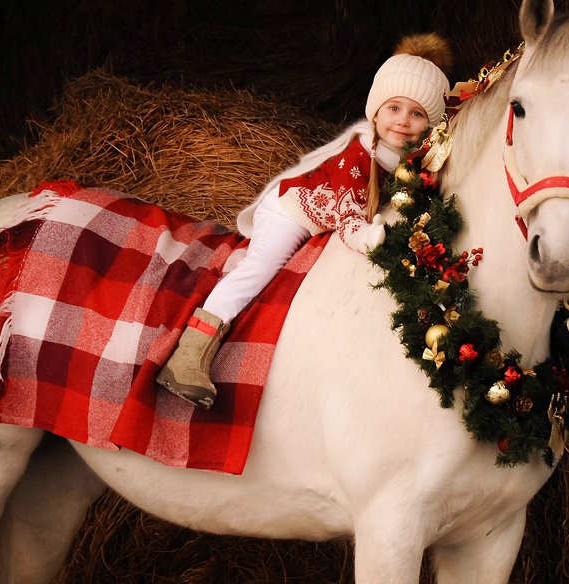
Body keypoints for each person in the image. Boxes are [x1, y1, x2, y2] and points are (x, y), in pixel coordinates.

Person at [157, 34, 452, 408]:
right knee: (262, 266)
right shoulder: (359, 151)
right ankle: (188, 354)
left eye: (417, 113)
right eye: (394, 107)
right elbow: (347, 211)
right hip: (293, 211)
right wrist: (364, 237)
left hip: (327, 221)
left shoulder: (410, 167)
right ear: (375, 110)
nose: (403, 121)